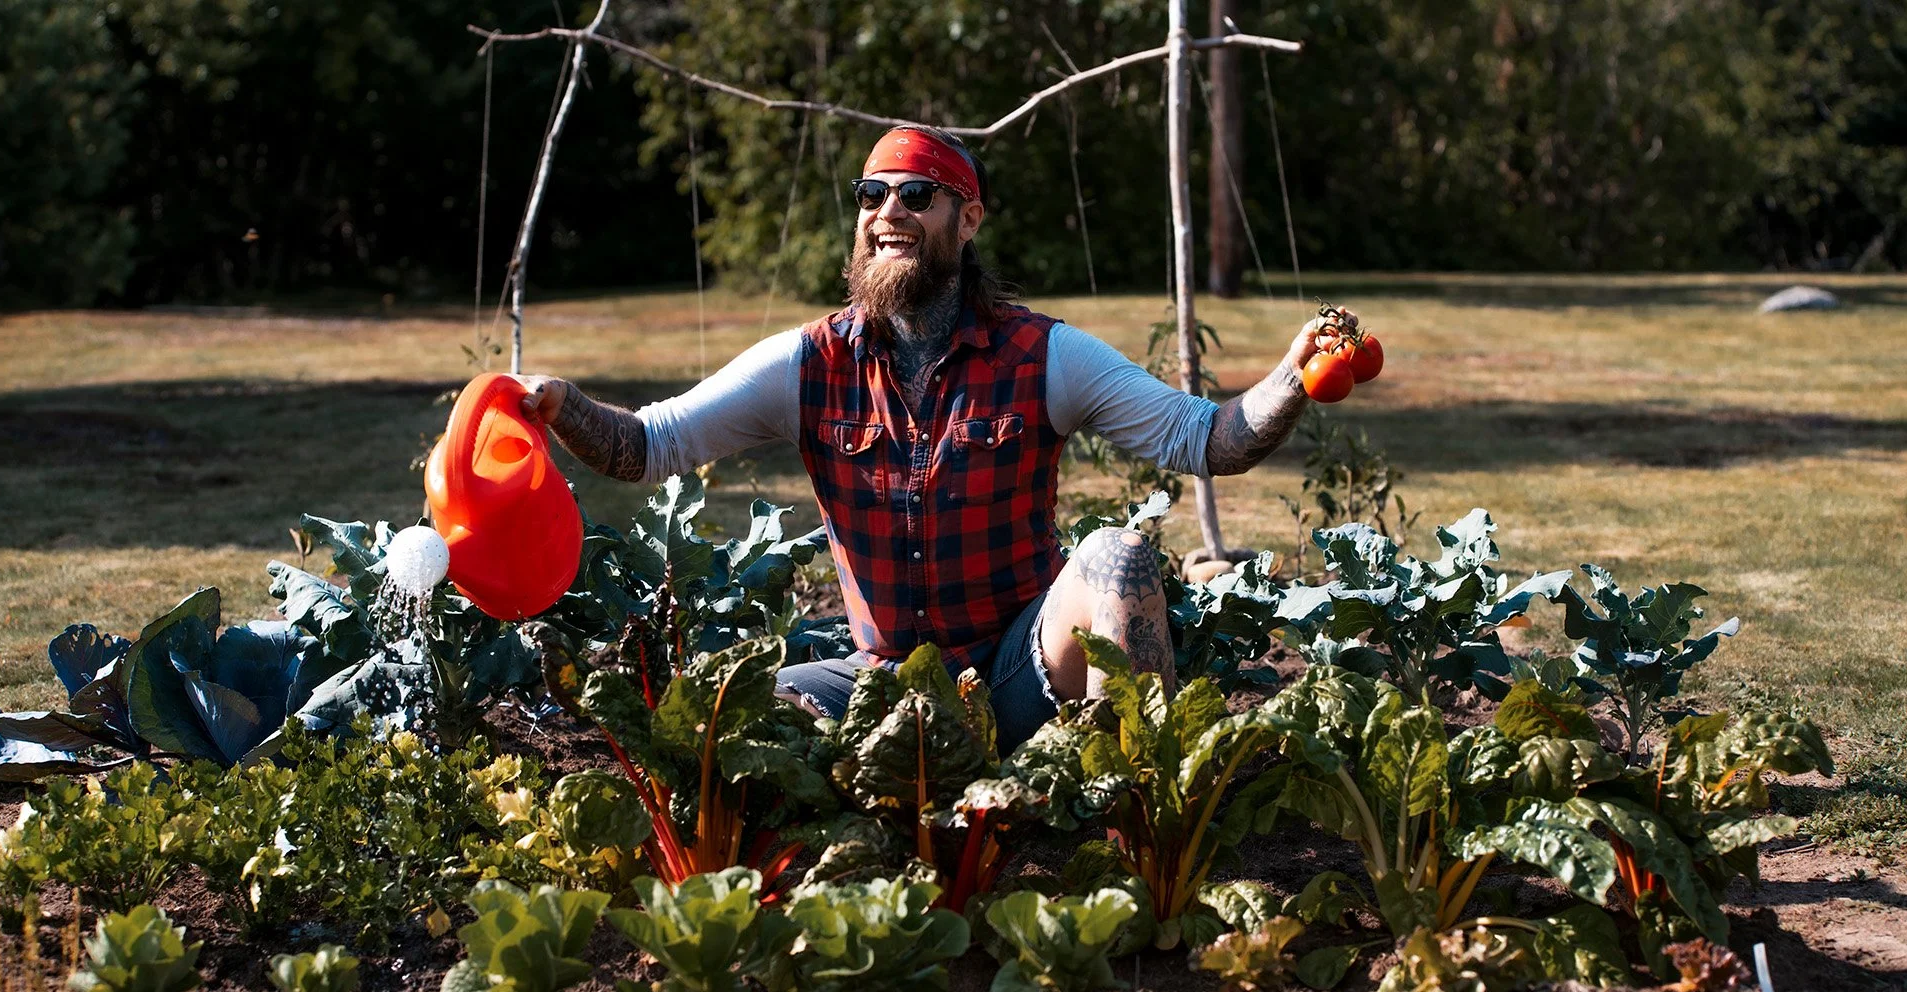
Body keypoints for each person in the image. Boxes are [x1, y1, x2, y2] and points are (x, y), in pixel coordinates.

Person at [518, 125, 1354, 749]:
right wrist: (560, 404)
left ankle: (1125, 804)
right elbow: (645, 445)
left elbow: (1207, 441)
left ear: (968, 219)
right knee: (714, 720)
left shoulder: (1044, 355)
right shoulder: (805, 365)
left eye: (916, 194)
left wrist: (1289, 377)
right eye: (871, 193)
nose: (889, 210)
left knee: (1119, 557)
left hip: (1021, 674)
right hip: (879, 690)